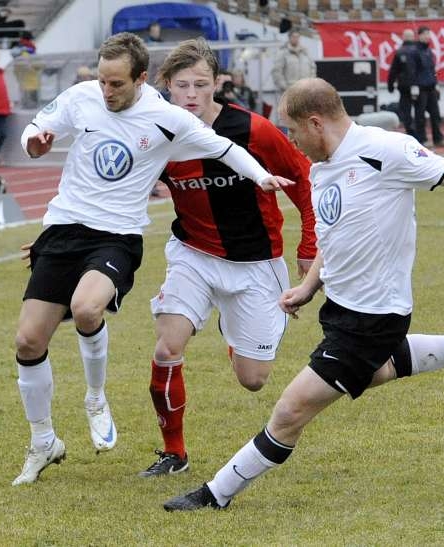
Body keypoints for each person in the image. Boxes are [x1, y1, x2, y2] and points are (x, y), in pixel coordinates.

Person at [163, 78, 444, 512]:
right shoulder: (321, 168)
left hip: (375, 315)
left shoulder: (384, 149)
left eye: (293, 132)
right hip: (341, 308)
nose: (292, 143)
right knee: (375, 371)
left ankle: (215, 494)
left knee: (290, 411)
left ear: (315, 123)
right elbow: (333, 238)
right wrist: (309, 286)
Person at [10, 32, 293, 487]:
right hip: (95, 236)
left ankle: (97, 396)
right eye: (102, 80)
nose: (106, 91)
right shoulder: (83, 98)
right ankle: (50, 442)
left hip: (146, 241)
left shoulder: (170, 120)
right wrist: (35, 143)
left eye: (116, 83)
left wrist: (261, 178)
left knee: (251, 378)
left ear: (140, 80)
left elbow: (227, 148)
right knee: (30, 341)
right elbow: (38, 130)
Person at [138, 39, 316, 478]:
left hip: (256, 262)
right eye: (182, 86)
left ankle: (232, 328)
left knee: (253, 379)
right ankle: (173, 453)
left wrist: (309, 248)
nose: (193, 95)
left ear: (218, 83)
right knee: (167, 348)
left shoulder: (253, 131)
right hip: (191, 255)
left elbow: (303, 179)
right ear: (167, 86)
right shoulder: (157, 133)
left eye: (202, 84)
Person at [413, 26, 444, 148]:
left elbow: (433, 70)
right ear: (420, 35)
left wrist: (436, 82)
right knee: (420, 115)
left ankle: (438, 139)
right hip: (420, 88)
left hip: (431, 86)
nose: (427, 36)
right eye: (425, 33)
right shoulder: (415, 51)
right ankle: (422, 139)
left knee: (436, 114)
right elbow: (412, 70)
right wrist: (414, 86)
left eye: (429, 33)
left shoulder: (429, 52)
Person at [387, 29, 418, 139]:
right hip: (420, 86)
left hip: (404, 85)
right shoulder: (420, 50)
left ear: (403, 38)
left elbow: (393, 71)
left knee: (406, 109)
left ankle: (411, 132)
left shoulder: (400, 52)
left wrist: (390, 85)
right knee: (420, 109)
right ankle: (421, 134)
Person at [271, 30, 316, 95]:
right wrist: (285, 88)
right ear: (289, 38)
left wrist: (310, 84)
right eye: (293, 37)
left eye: (297, 37)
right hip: (289, 92)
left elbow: (313, 68)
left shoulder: (305, 53)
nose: (295, 39)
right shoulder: (282, 53)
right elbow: (277, 72)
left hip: (305, 91)